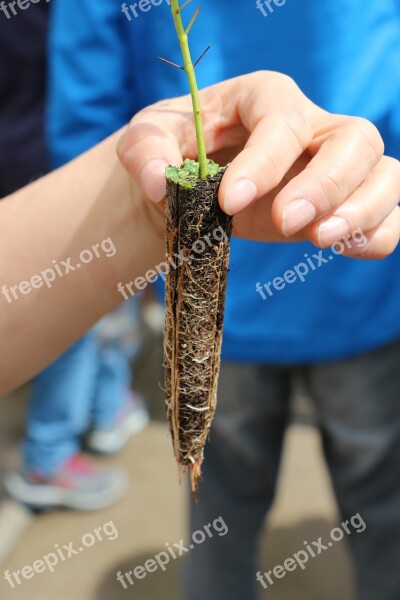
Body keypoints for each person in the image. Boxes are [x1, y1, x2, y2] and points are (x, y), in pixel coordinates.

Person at [46, 1, 400, 598]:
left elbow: (85, 105)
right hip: (347, 275)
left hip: (345, 275)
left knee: (221, 515)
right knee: (370, 508)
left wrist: (107, 260)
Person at [0, 2, 148, 511]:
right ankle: (47, 455)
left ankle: (106, 406)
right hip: (49, 162)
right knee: (73, 308)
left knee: (112, 301)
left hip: (59, 152)